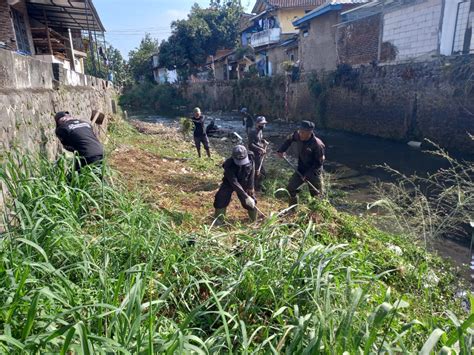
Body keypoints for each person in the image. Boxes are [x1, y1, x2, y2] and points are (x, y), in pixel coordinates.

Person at [277, 120, 325, 206]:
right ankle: (293, 209)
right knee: (291, 188)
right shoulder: (298, 135)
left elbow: (319, 163)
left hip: (314, 171)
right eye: (300, 131)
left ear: (310, 132)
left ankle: (316, 214)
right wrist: (281, 150)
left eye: (303, 132)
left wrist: (307, 175)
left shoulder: (317, 144)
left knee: (316, 195)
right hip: (301, 168)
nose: (300, 134)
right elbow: (289, 140)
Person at [214, 145, 257, 223]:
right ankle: (219, 221)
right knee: (220, 198)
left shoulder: (251, 156)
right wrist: (245, 196)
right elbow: (234, 182)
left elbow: (252, 170)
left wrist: (251, 186)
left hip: (245, 181)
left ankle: (253, 221)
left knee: (251, 200)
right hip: (229, 183)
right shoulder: (228, 164)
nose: (241, 164)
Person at [248, 116, 269, 191]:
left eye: (264, 124)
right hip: (254, 154)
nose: (263, 125)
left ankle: (258, 185)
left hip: (260, 154)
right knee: (258, 171)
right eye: (261, 124)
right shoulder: (252, 132)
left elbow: (259, 140)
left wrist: (263, 141)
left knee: (261, 171)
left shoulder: (260, 130)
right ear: (257, 123)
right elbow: (250, 144)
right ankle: (255, 187)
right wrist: (260, 148)